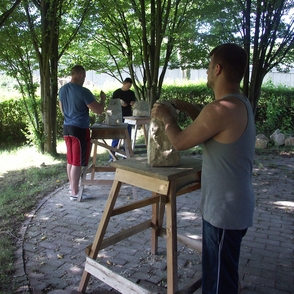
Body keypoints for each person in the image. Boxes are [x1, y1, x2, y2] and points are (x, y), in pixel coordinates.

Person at [151, 43, 255, 293]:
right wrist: (187, 107)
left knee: (219, 283)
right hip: (234, 209)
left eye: (209, 67)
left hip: (223, 214)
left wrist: (168, 118)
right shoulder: (237, 103)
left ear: (217, 69)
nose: (207, 72)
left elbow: (179, 141)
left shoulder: (220, 110)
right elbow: (210, 124)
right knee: (222, 272)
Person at [59, 65, 106, 201]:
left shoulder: (62, 90)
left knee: (71, 160)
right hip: (79, 129)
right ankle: (75, 192)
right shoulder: (83, 91)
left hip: (67, 128)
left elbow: (62, 109)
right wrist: (102, 99)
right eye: (84, 76)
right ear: (80, 75)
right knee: (77, 162)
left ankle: (71, 187)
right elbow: (98, 110)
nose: (84, 79)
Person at [110, 77, 136, 161]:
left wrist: (133, 103)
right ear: (124, 83)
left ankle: (126, 155)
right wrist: (120, 103)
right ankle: (112, 156)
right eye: (128, 85)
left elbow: (134, 102)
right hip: (118, 116)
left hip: (128, 116)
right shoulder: (117, 93)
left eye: (130, 86)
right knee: (116, 136)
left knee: (127, 136)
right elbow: (112, 104)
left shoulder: (131, 93)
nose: (129, 87)